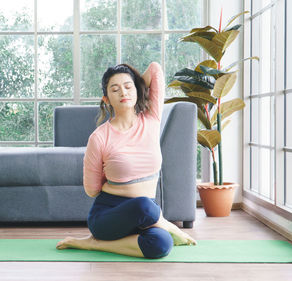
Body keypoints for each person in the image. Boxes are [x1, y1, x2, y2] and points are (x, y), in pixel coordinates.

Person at [56, 62, 197, 259]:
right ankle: (164, 225)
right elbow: (92, 190)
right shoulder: (99, 138)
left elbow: (155, 69)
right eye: (115, 89)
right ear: (106, 98)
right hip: (107, 217)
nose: (123, 92)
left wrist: (135, 82)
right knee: (144, 206)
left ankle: (95, 245)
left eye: (128, 86)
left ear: (138, 90)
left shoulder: (151, 119)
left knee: (161, 244)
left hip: (145, 216)